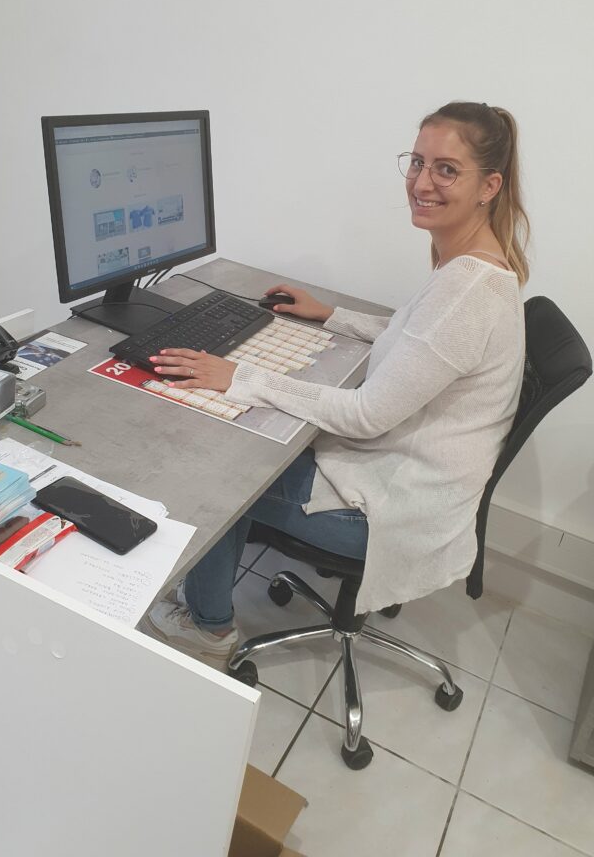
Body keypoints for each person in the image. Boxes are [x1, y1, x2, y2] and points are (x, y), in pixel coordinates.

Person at [147, 101, 530, 669]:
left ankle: (207, 630)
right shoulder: (477, 264)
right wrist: (330, 315)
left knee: (222, 469)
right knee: (258, 433)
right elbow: (414, 336)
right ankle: (209, 592)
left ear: (489, 186)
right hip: (415, 487)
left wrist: (241, 375)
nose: (422, 182)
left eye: (447, 169)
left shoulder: (467, 290)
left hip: (386, 514)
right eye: (417, 162)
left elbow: (365, 415)